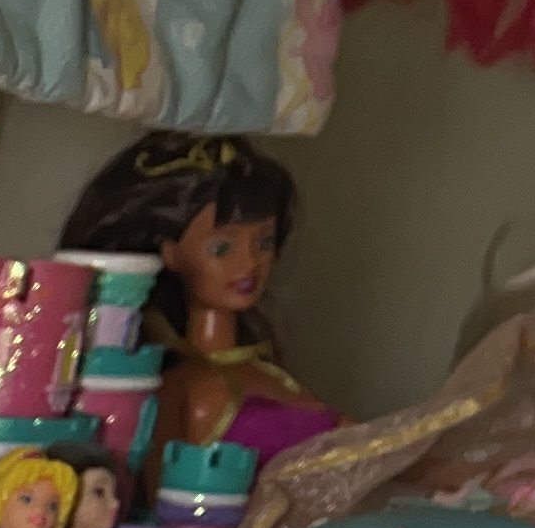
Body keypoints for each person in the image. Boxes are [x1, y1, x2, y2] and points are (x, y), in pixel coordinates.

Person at [59, 131, 331, 462]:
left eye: (264, 243)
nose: (249, 264)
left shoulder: (267, 372)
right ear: (170, 253)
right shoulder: (184, 391)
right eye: (221, 248)